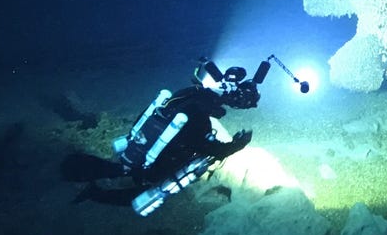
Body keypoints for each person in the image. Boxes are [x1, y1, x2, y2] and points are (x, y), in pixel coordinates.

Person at [61, 57, 265, 215]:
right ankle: (93, 193)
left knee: (124, 169)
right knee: (143, 191)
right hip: (161, 159)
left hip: (144, 144)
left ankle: (80, 169)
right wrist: (238, 144)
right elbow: (211, 149)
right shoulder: (199, 116)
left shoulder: (189, 93)